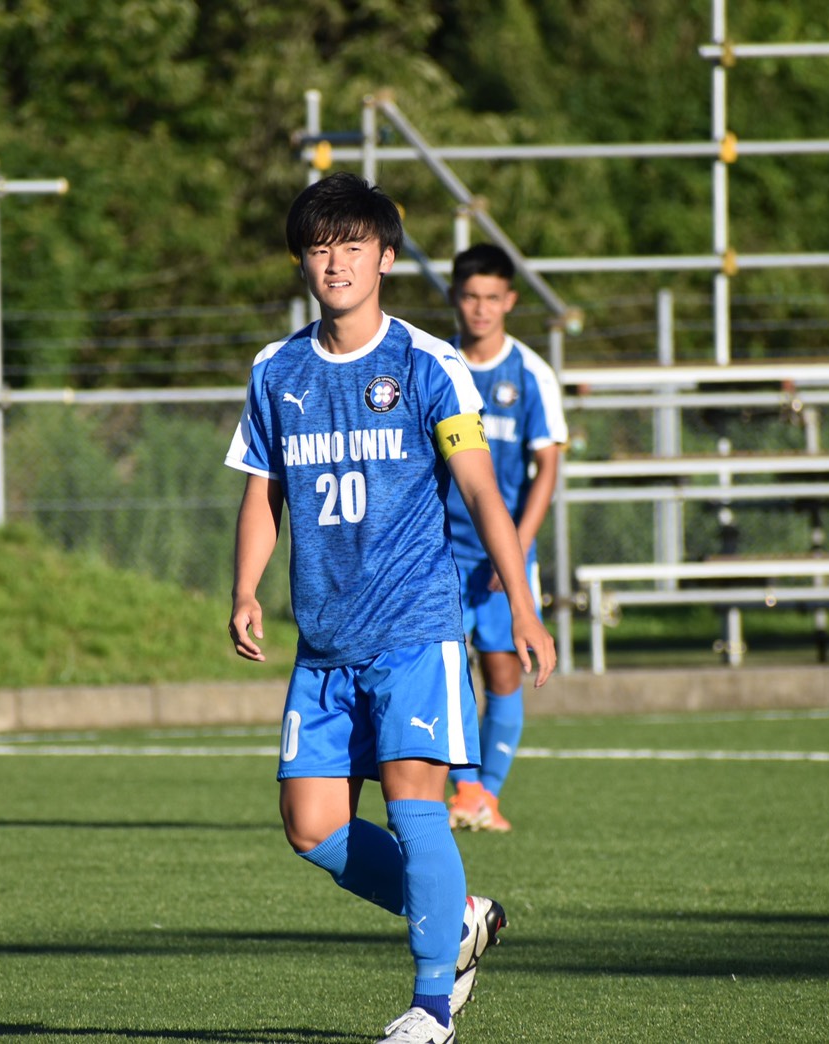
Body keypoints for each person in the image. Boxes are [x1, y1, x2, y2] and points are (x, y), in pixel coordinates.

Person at [225, 172, 556, 1044]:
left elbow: (481, 491)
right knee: (312, 827)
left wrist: (524, 606)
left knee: (415, 810)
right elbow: (263, 493)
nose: (334, 262)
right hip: (324, 642)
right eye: (318, 247)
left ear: (386, 257)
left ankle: (431, 1008)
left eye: (352, 245)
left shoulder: (428, 364)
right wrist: (246, 588)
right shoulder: (276, 370)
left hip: (416, 630)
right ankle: (458, 915)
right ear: (302, 261)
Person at [442, 243, 568, 835]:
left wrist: (513, 547)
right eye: (471, 296)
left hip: (503, 554)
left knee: (501, 673)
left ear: (510, 301)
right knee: (441, 671)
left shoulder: (532, 374)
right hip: (438, 551)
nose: (481, 308)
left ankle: (485, 796)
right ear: (455, 298)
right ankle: (464, 790)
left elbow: (548, 467)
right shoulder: (437, 364)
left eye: (492, 297)